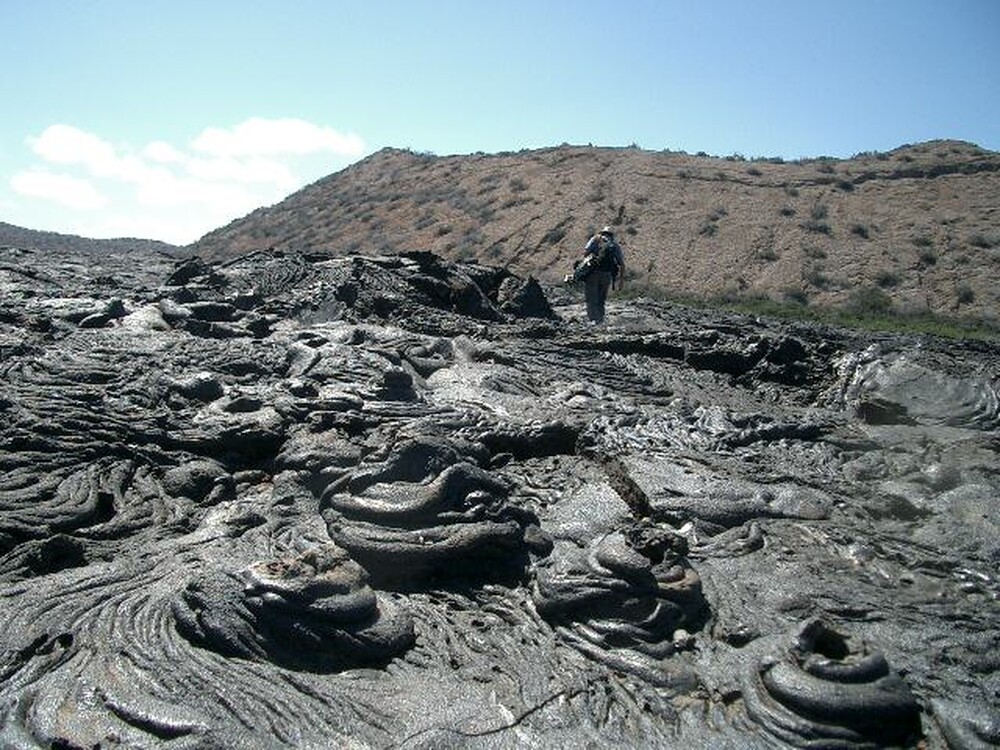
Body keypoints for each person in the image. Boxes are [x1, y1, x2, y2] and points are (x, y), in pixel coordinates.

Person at [581, 226, 624, 324]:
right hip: (607, 275)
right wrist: (621, 280)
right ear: (611, 235)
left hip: (593, 273)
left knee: (591, 298)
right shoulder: (614, 245)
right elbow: (621, 264)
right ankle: (600, 320)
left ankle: (593, 321)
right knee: (601, 299)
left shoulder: (595, 239)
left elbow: (585, 253)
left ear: (602, 233)